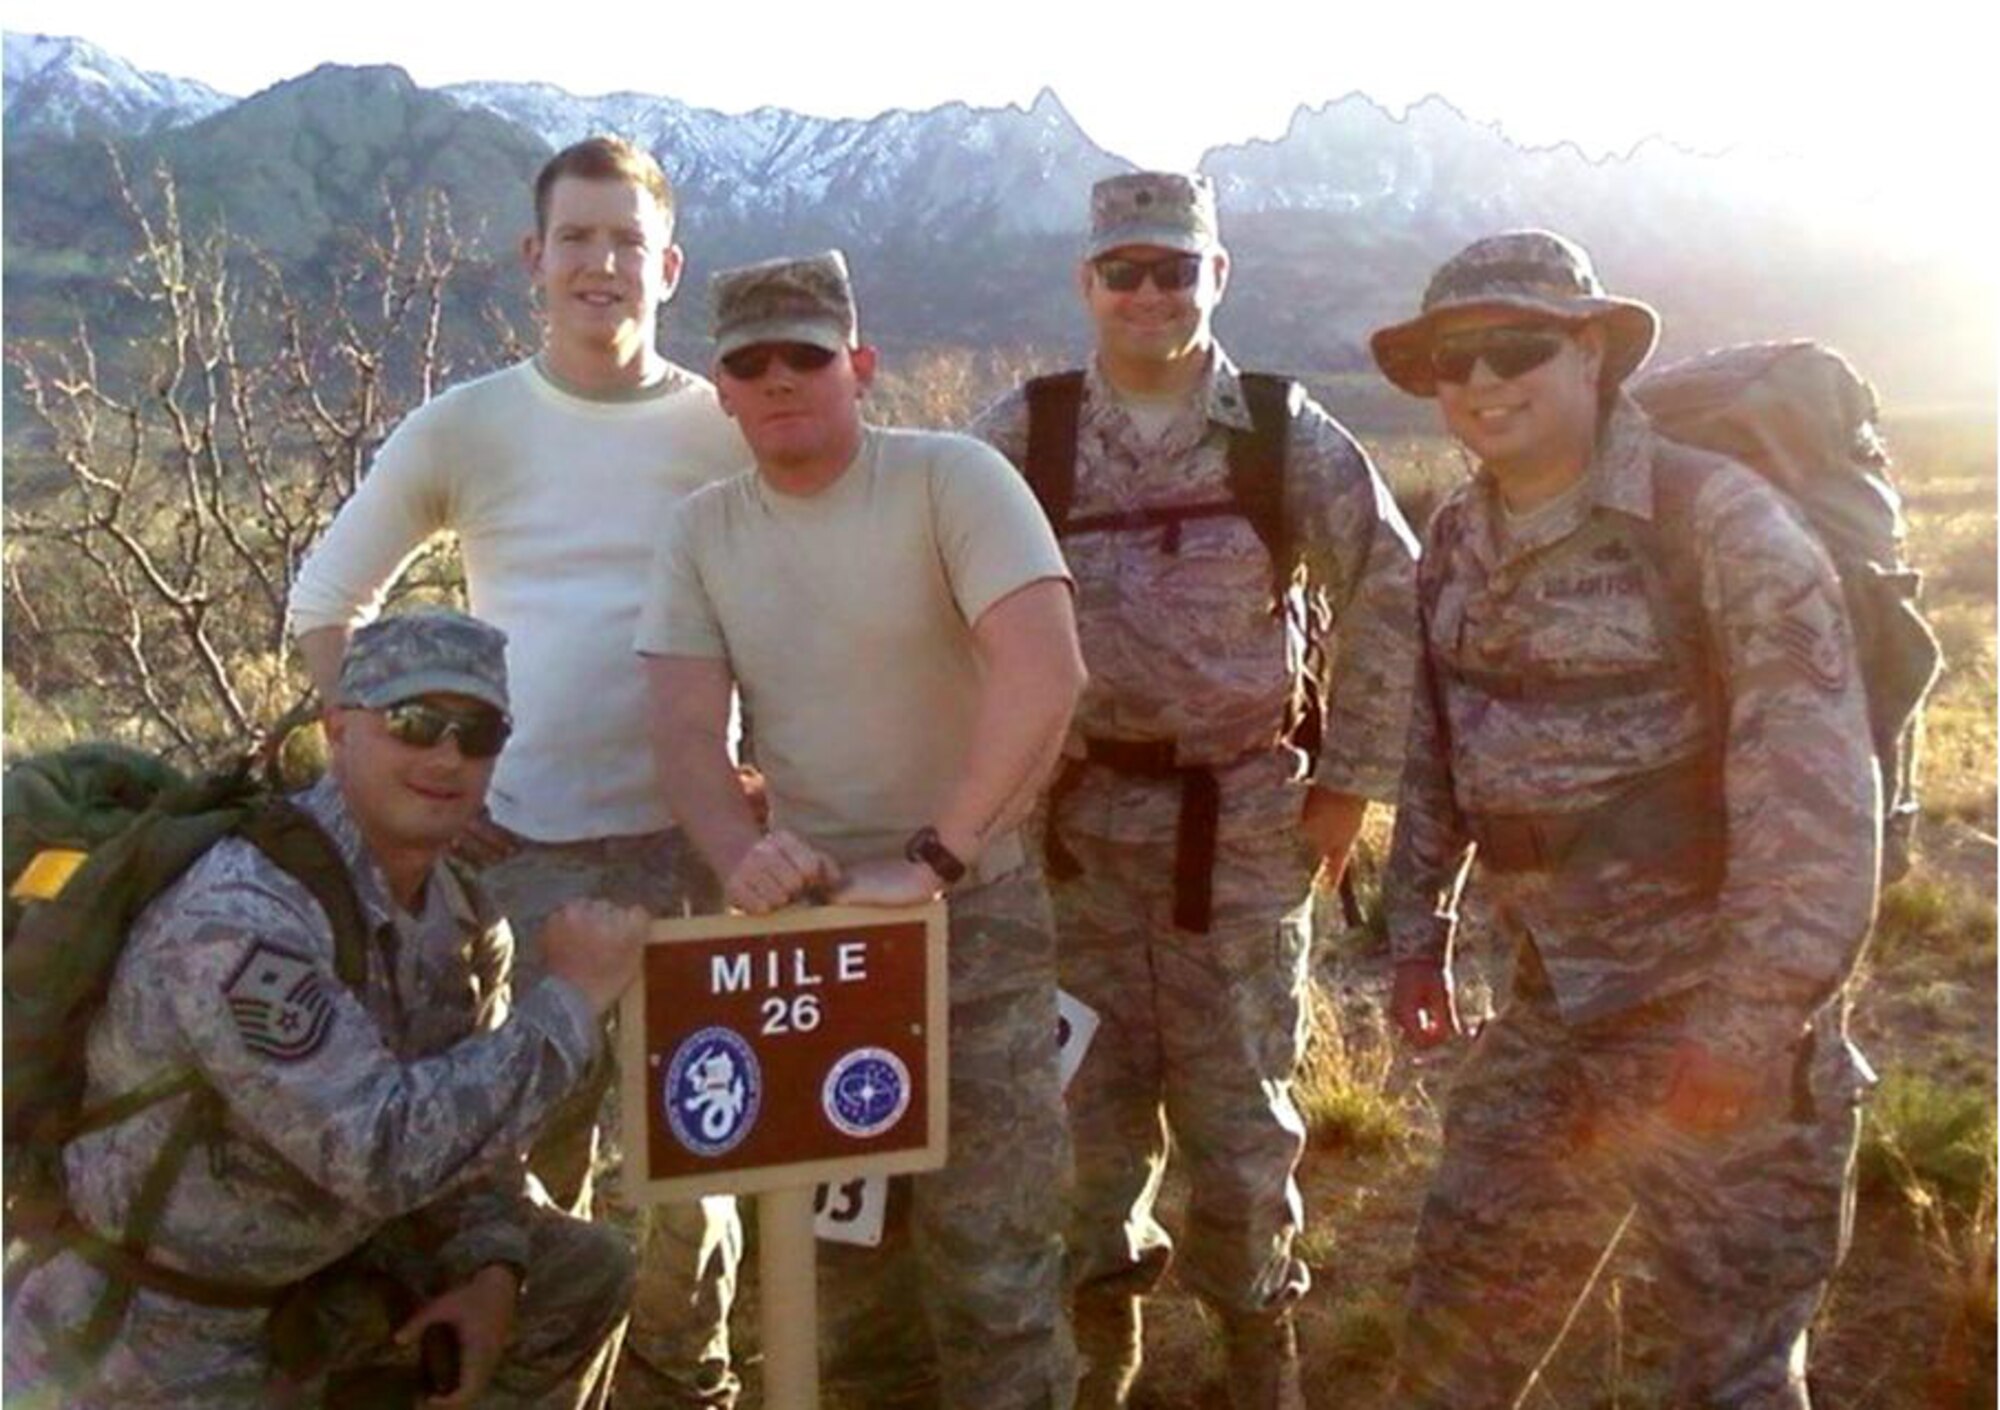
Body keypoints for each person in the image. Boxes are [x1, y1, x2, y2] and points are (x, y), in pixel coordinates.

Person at [1373, 229, 1879, 1408]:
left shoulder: (1721, 528)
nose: (1482, 381)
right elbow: (1434, 751)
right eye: (1452, 360)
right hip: (1550, 1008)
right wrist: (1415, 934)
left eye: (1517, 346)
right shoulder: (1456, 536)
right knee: (1456, 1332)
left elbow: (1815, 811)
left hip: (1711, 1019)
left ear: (1591, 350)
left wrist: (1744, 1028)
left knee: (1726, 1366)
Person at [287, 136, 748, 1407]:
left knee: (693, 1179)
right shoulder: (471, 424)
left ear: (667, 265)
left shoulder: (722, 426)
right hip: (515, 864)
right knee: (517, 1181)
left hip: (684, 856)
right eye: (576, 238)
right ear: (532, 259)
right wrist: (413, 789)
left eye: (625, 241)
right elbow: (328, 601)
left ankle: (684, 1387)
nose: (600, 264)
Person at [968, 172, 1419, 1408]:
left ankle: (1254, 1348)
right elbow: (932, 573)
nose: (1150, 292)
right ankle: (1099, 1348)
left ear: (1215, 277)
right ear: (1087, 285)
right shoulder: (1028, 432)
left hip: (1242, 831)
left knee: (1239, 1125)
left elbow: (1390, 581)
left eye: (1176, 268)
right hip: (1070, 840)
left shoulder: (1280, 430)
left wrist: (1352, 784)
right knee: (1080, 1124)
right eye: (1125, 271)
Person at [639, 250, 1085, 1409]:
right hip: (815, 941)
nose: (780, 379)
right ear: (721, 387)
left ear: (860, 366)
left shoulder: (953, 481)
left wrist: (934, 858)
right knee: (842, 1294)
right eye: (750, 362)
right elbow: (684, 731)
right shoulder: (700, 533)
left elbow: (1044, 671)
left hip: (971, 921)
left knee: (995, 1274)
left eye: (807, 355)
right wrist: (742, 858)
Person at [3, 609, 647, 1408]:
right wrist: (573, 1003)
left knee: (580, 1272)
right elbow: (376, 1150)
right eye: (414, 722)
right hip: (158, 1337)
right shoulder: (242, 915)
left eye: (477, 733)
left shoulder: (461, 915)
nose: (446, 756)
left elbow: (473, 1142)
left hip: (323, 1282)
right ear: (341, 728)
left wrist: (492, 1270)